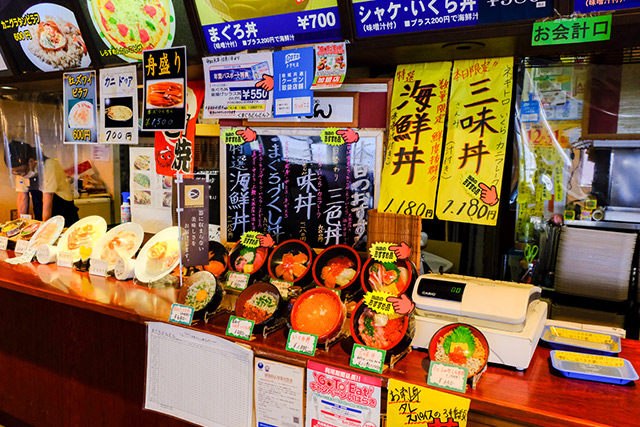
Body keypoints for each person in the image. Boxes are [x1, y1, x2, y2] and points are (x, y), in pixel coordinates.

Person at [7, 140, 79, 226]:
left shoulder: (48, 165)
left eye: (20, 171)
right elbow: (22, 197)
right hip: (41, 215)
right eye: (15, 172)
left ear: (30, 162)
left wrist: (44, 229)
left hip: (63, 214)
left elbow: (48, 198)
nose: (19, 174)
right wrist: (21, 224)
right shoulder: (23, 171)